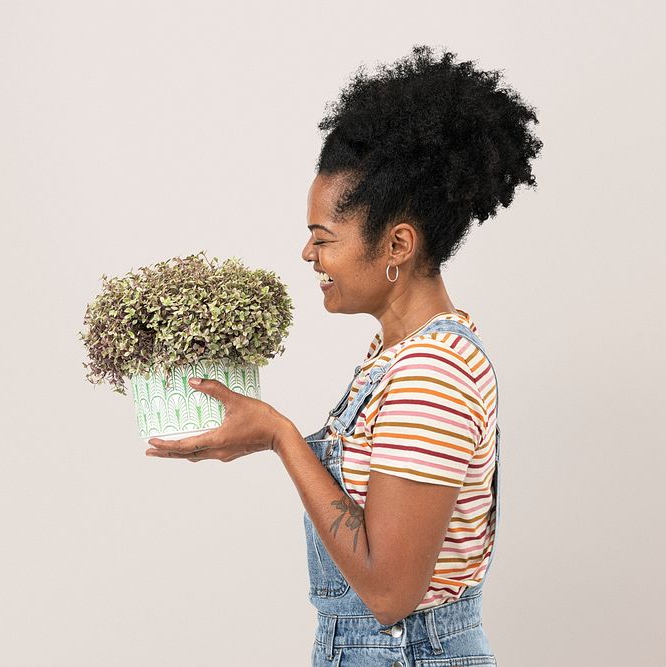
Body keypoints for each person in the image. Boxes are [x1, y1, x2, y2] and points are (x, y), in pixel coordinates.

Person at [146, 44, 542, 666]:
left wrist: (280, 437)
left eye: (322, 238)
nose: (308, 255)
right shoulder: (398, 355)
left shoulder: (430, 375)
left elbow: (388, 590)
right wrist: (254, 434)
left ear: (398, 244)